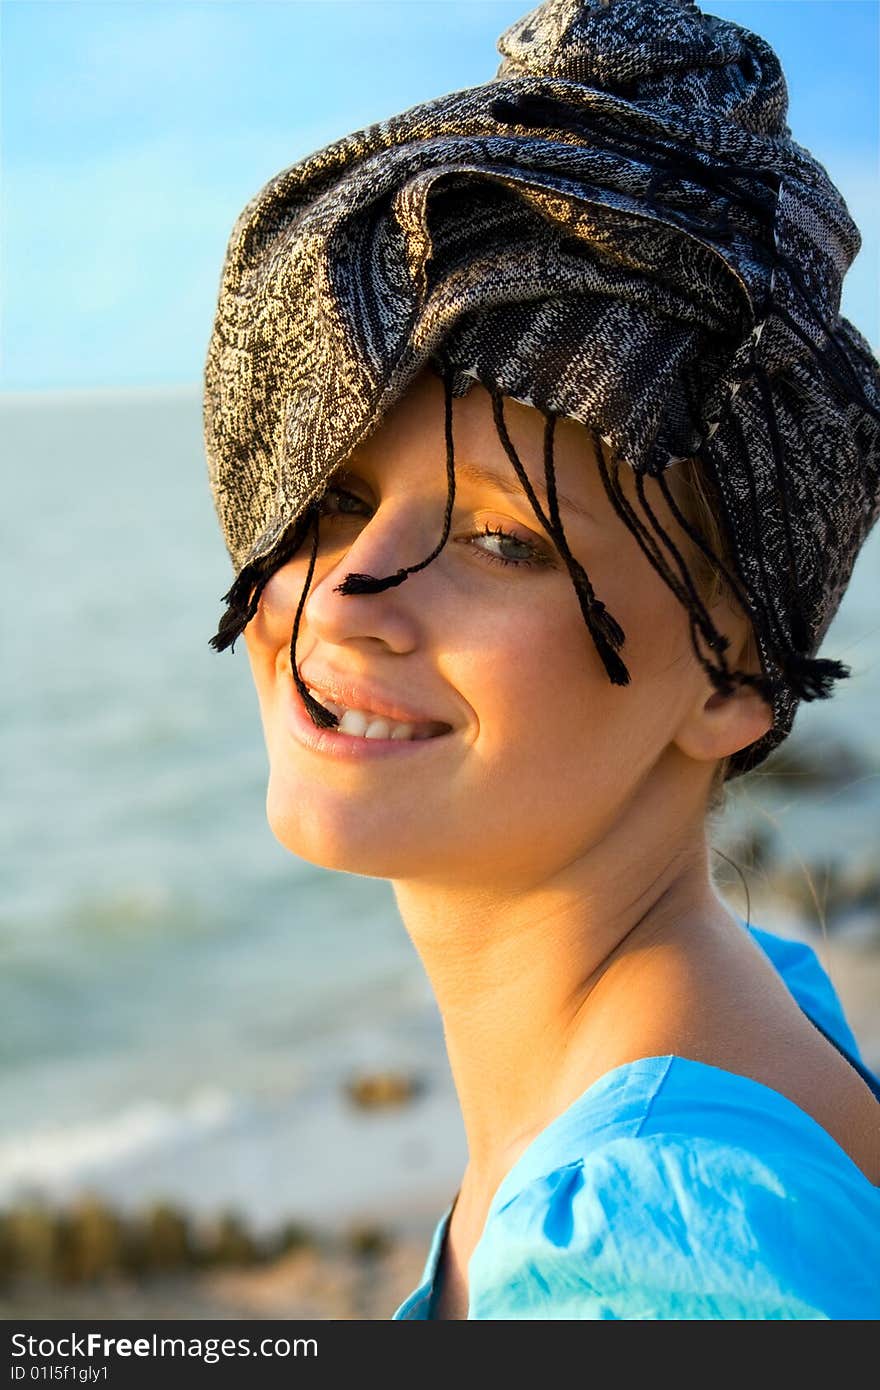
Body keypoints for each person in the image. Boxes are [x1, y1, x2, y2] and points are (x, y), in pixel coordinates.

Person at [202, 0, 880, 1318]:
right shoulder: (746, 1002)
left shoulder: (641, 1256)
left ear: (738, 674)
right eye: (334, 499)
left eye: (504, 541)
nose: (346, 595)